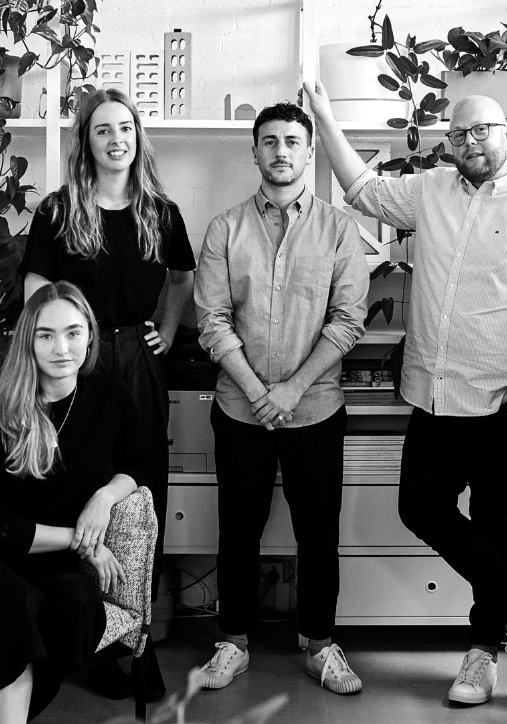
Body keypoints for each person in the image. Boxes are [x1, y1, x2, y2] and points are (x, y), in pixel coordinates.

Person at [302, 80, 507, 705]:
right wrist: (324, 114)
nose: (469, 142)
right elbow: (361, 189)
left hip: (503, 402)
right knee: (420, 508)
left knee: (496, 528)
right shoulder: (430, 189)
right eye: (457, 134)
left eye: (481, 130)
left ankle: (482, 656)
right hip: (432, 395)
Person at [19, 88, 196, 699]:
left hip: (137, 358)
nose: (117, 139)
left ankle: (134, 640)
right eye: (102, 130)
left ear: (138, 137)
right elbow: (38, 291)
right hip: (75, 358)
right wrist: (44, 352)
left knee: (141, 490)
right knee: (70, 478)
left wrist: (166, 330)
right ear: (86, 142)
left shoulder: (160, 211)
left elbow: (181, 278)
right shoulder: (59, 209)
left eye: (125, 128)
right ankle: (76, 628)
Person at [194, 101, 369, 693]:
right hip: (238, 409)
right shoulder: (225, 229)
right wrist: (257, 391)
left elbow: (348, 320)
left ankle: (320, 644)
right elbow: (212, 320)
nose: (281, 151)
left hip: (315, 409)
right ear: (254, 152)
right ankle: (233, 641)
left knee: (318, 534)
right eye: (269, 141)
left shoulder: (339, 229)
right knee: (238, 531)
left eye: (292, 141)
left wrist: (291, 389)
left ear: (309, 151)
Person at [0, 280, 147, 724]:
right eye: (45, 335)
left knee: (79, 601)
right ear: (28, 340)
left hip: (54, 564)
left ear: (89, 336)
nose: (61, 348)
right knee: (19, 603)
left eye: (73, 332)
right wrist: (80, 541)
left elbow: (136, 464)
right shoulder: (4, 403)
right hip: (5, 552)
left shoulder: (109, 396)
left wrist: (105, 497)